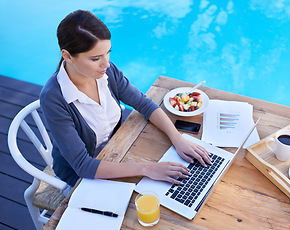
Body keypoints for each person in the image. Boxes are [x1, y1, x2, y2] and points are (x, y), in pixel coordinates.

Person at [40, 9, 211, 188]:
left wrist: (178, 139)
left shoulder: (106, 71)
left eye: (108, 52)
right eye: (96, 58)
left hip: (118, 151)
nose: (106, 63)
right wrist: (148, 169)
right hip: (82, 177)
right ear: (67, 56)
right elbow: (83, 165)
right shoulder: (53, 99)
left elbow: (143, 103)